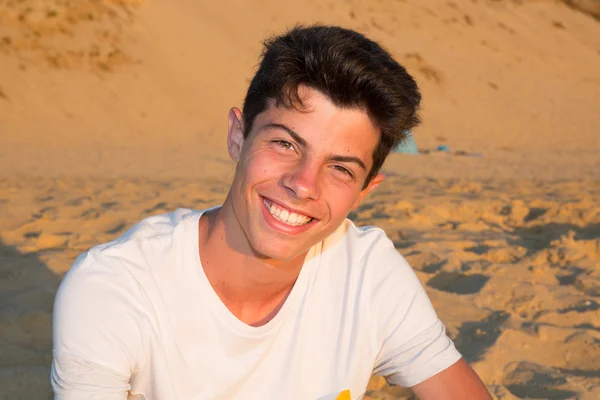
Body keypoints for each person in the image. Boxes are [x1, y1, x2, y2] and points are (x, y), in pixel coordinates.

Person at [51, 25, 492, 399]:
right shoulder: (117, 288)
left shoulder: (369, 275)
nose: (302, 184)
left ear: (363, 192)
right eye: (285, 144)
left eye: (340, 168)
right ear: (238, 137)